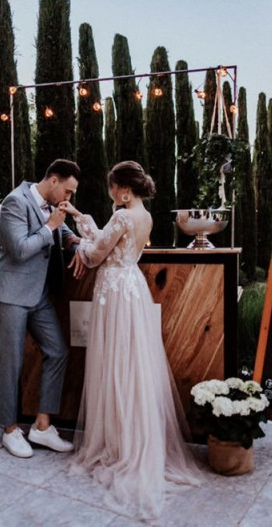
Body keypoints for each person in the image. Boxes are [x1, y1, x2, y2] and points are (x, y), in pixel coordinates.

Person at [60, 161, 203, 519]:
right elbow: (109, 242)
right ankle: (133, 437)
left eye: (112, 188)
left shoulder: (122, 217)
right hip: (133, 290)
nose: (111, 193)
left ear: (124, 189)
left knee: (114, 364)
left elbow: (95, 255)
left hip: (114, 294)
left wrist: (78, 245)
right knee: (133, 364)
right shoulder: (145, 217)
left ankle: (120, 443)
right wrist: (80, 216)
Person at [0, 159, 86, 458]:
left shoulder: (50, 204)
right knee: (12, 362)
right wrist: (50, 227)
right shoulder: (14, 202)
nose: (69, 198)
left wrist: (74, 242)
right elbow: (18, 250)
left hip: (40, 295)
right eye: (68, 191)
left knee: (57, 350)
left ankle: (42, 427)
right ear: (53, 180)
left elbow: (62, 230)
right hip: (11, 295)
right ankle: (10, 430)